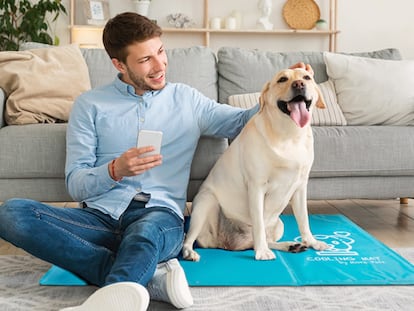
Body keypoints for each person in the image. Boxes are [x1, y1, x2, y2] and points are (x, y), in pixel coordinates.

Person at [0, 12, 313, 311]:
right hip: (100, 217)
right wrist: (114, 171)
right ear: (118, 64)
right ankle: (149, 279)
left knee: (144, 236)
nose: (159, 65)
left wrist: (286, 88)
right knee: (12, 214)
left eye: (161, 52)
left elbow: (241, 121)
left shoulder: (187, 100)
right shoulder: (89, 105)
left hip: (160, 216)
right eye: (145, 59)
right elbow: (76, 184)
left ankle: (116, 293)